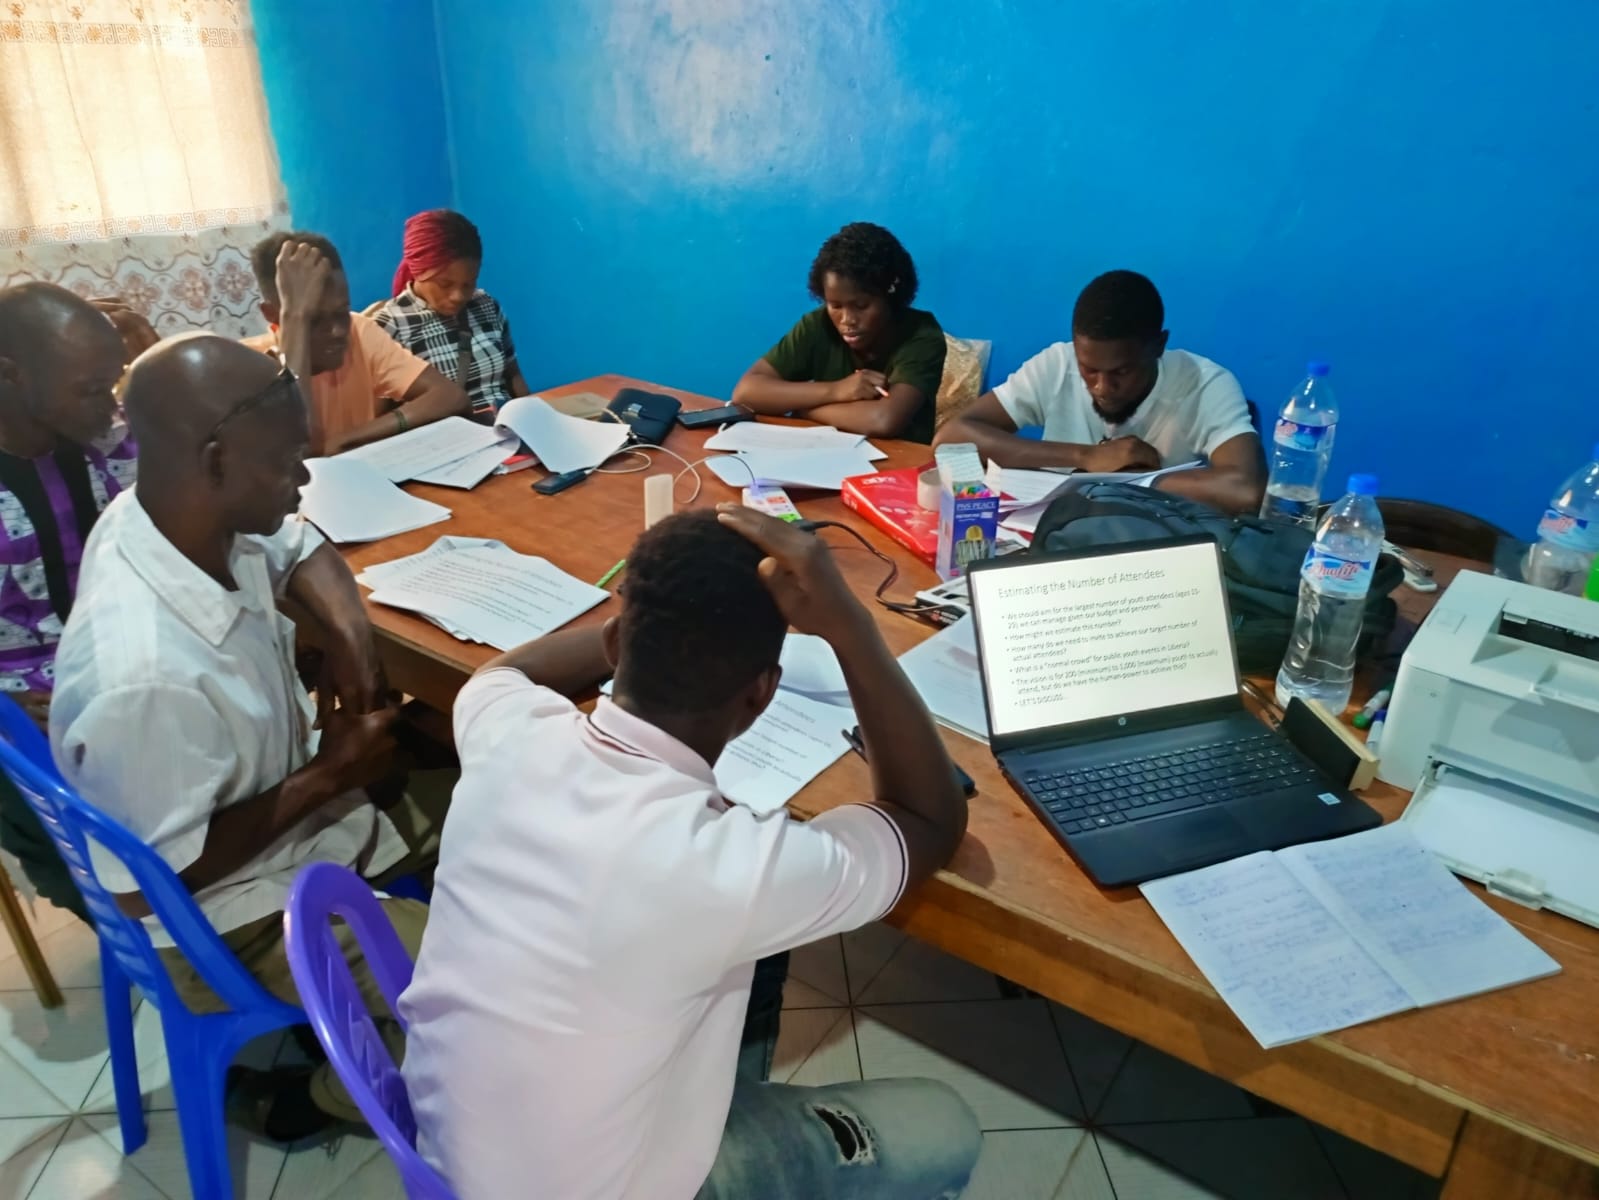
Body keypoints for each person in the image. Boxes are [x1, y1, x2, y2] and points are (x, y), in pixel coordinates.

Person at [399, 507, 982, 1200]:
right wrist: (849, 627)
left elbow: (505, 672)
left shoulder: (508, 733)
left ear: (615, 641)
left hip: (450, 1161)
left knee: (748, 965)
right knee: (943, 1125)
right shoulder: (732, 871)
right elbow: (927, 817)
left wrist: (656, 615)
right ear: (762, 693)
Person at [49, 333, 454, 1143]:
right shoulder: (146, 676)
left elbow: (297, 544)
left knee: (495, 793)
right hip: (230, 918)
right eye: (289, 461)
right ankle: (319, 1099)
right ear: (215, 460)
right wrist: (329, 775)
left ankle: (416, 965)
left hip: (298, 827)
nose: (304, 479)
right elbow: (142, 889)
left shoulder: (163, 514)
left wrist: (354, 648)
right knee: (485, 990)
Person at [0, 283, 139, 922]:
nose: (109, 406)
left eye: (112, 384)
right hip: (26, 715)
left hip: (127, 678)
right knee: (89, 856)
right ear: (11, 376)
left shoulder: (109, 442)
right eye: (90, 390)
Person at [935, 270, 1266, 514]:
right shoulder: (1058, 364)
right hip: (1054, 533)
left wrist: (1133, 481)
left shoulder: (1205, 384)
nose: (1102, 388)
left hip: (1150, 542)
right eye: (1089, 370)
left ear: (1158, 346)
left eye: (1121, 372)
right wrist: (1085, 457)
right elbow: (950, 439)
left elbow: (1246, 491)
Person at [245, 231, 469, 455]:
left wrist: (346, 440)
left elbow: (450, 396)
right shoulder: (246, 367)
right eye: (313, 319)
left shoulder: (359, 331)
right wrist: (296, 318)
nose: (338, 331)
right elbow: (301, 452)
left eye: (342, 312)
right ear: (272, 314)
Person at [732, 222, 947, 443]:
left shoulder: (922, 335)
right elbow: (746, 392)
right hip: (825, 452)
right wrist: (837, 390)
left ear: (890, 294)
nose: (847, 320)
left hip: (902, 460)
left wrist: (804, 409)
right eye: (835, 305)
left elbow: (883, 420)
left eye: (861, 306)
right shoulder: (818, 324)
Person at [371, 209, 530, 419]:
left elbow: (513, 375)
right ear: (419, 271)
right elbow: (380, 417)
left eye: (469, 284)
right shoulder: (388, 327)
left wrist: (532, 417)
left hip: (506, 426)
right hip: (447, 435)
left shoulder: (486, 305)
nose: (458, 296)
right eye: (445, 284)